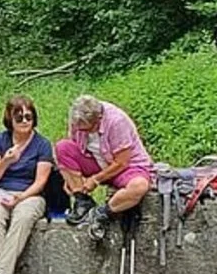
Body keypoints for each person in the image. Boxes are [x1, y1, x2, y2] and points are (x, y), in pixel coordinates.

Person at [0, 94, 53, 274]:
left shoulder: (42, 144)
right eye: (19, 117)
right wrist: (6, 161)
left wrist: (20, 198)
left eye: (28, 117)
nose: (24, 121)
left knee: (23, 218)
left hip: (30, 193)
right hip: (1, 189)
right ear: (10, 119)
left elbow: (41, 182)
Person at [55, 95, 154, 241]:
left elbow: (122, 162)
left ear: (99, 119)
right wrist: (70, 176)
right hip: (95, 160)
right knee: (62, 147)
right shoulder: (76, 119)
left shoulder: (117, 121)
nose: (86, 133)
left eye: (89, 129)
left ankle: (103, 212)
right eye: (81, 129)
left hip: (126, 167)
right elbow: (71, 144)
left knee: (139, 186)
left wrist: (95, 179)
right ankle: (82, 201)